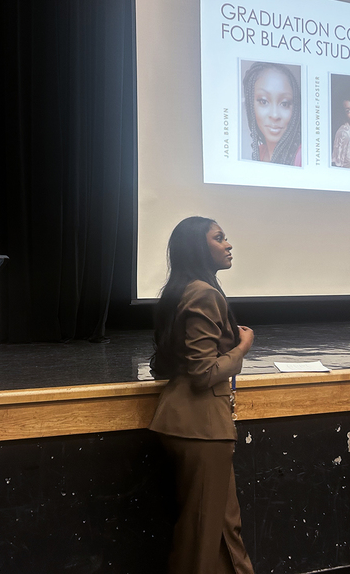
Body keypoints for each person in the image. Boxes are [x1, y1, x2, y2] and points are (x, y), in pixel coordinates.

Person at [149, 216, 255, 574]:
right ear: (198, 247)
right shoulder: (205, 293)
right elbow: (202, 373)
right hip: (202, 428)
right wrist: (242, 348)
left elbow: (163, 364)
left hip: (191, 425)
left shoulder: (181, 291)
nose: (228, 244)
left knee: (226, 531)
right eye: (219, 238)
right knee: (201, 539)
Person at [242, 61, 302, 166]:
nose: (274, 115)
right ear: (251, 105)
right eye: (263, 101)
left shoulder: (302, 157)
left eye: (284, 103)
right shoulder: (260, 152)